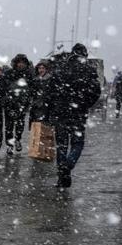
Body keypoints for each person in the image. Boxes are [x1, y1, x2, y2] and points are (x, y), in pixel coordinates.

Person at [49, 43, 101, 188]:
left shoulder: (61, 68)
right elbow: (96, 92)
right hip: (78, 112)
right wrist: (85, 104)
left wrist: (54, 107)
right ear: (85, 55)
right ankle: (68, 165)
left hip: (61, 113)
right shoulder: (89, 69)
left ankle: (62, 177)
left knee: (62, 145)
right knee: (77, 143)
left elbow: (50, 91)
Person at [3, 54, 33, 155]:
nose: (21, 64)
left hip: (22, 104)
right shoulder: (9, 73)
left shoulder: (28, 74)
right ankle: (9, 146)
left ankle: (17, 140)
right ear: (15, 63)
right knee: (9, 127)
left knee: (20, 125)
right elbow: (5, 88)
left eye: (23, 62)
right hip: (9, 104)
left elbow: (31, 88)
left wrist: (27, 101)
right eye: (19, 62)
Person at [28, 59, 54, 124]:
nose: (41, 70)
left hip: (46, 107)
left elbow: (52, 93)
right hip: (35, 107)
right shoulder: (35, 80)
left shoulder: (51, 79)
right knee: (35, 125)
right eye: (39, 68)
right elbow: (32, 92)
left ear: (46, 69)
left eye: (43, 68)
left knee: (44, 125)